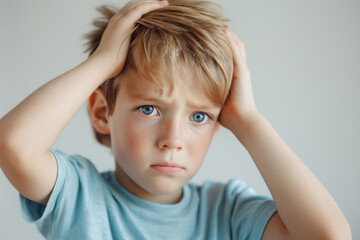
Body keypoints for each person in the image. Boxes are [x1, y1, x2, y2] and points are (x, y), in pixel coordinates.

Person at [0, 0, 351, 239]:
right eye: (150, 109)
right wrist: (104, 62)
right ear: (102, 113)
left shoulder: (226, 210)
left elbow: (328, 235)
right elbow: (14, 146)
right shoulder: (79, 196)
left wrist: (247, 119)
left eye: (199, 116)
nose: (173, 139)